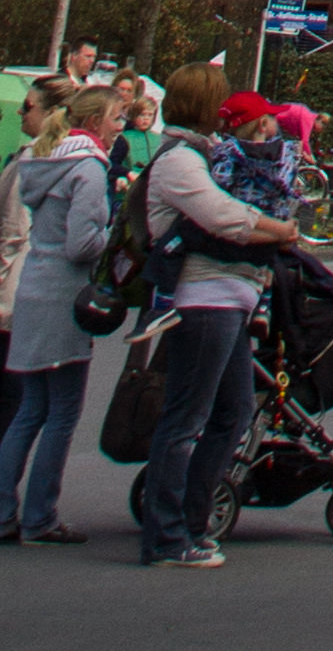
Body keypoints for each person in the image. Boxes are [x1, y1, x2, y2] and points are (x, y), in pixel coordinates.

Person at [133, 64, 306, 567]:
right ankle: (166, 537)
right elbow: (223, 217)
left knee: (232, 413)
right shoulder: (179, 161)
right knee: (187, 417)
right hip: (204, 297)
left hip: (231, 295)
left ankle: (193, 520)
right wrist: (280, 229)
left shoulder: (205, 153)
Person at [1, 84, 116, 543]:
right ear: (94, 122)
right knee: (63, 412)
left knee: (30, 409)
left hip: (33, 287)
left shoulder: (44, 160)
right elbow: (82, 244)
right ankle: (40, 516)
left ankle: (4, 511)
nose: (120, 127)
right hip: (65, 296)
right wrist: (112, 235)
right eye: (117, 118)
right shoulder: (88, 168)